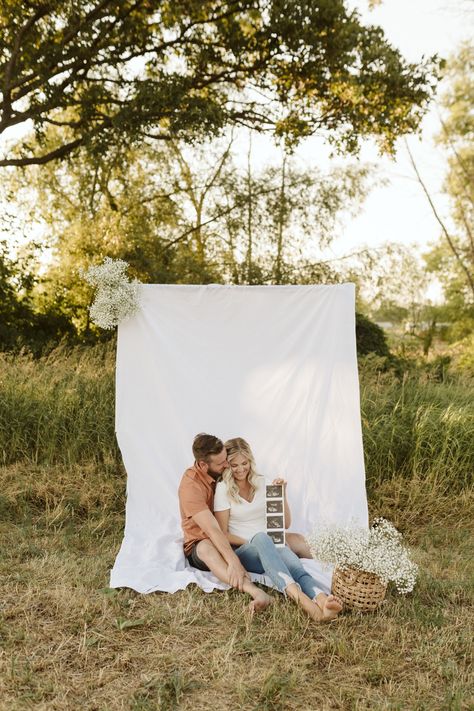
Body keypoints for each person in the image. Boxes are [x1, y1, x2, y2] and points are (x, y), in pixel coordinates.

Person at [213, 437, 343, 622]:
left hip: (272, 543)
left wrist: (282, 494)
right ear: (227, 465)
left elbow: (285, 525)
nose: (241, 469)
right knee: (262, 538)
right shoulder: (223, 488)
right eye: (234, 465)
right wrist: (255, 541)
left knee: (295, 567)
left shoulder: (262, 482)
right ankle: (304, 602)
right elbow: (223, 534)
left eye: (245, 463)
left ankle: (323, 603)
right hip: (247, 551)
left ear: (250, 461)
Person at [178, 433, 272, 612]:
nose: (227, 465)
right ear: (203, 465)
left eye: (225, 460)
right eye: (222, 463)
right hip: (202, 541)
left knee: (291, 539)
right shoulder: (191, 487)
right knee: (207, 547)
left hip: (229, 538)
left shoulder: (221, 476)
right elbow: (213, 530)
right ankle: (256, 592)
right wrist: (233, 561)